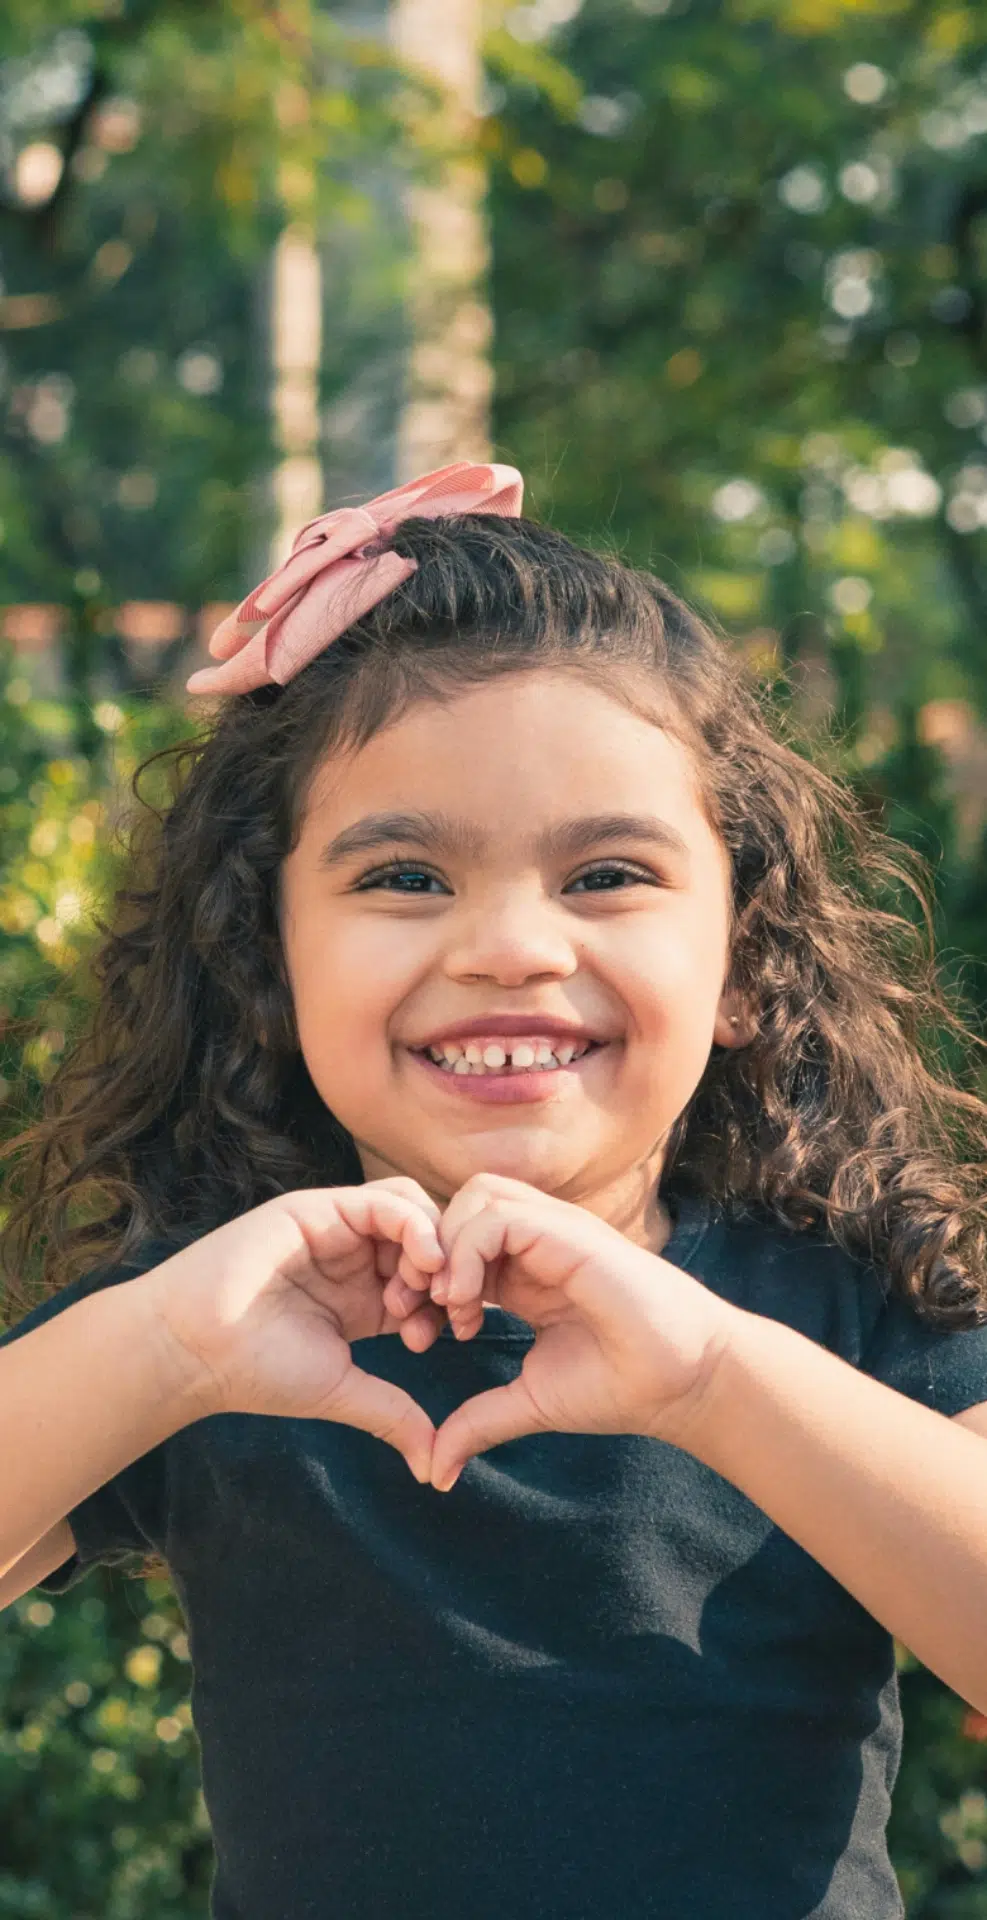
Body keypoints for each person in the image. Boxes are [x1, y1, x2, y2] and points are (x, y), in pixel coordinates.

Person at [2, 459, 987, 1920]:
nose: (511, 947)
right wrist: (161, 1352)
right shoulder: (207, 1318)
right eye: (403, 877)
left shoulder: (850, 1298)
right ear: (269, 959)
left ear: (746, 960)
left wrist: (714, 1376)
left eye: (605, 875)